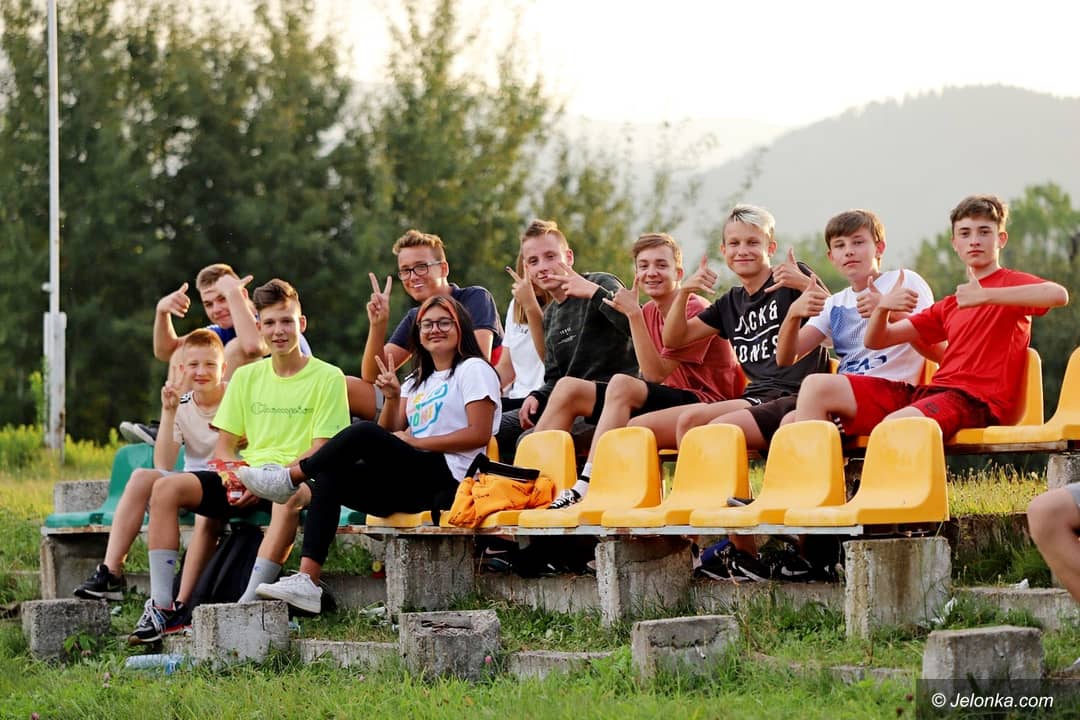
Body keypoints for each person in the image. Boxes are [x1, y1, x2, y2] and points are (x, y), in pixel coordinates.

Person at [237, 296, 501, 614]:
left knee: (362, 433)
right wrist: (391, 399)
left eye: (445, 323)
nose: (435, 330)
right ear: (418, 334)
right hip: (413, 481)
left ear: (461, 329)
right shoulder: (418, 380)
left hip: (452, 477)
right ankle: (308, 580)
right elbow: (388, 431)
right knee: (331, 473)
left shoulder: (473, 369)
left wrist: (418, 442)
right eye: (427, 325)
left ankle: (291, 477)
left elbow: (479, 434)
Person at [127, 279, 350, 644]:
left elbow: (321, 451)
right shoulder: (246, 377)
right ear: (259, 327)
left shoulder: (328, 377)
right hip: (247, 477)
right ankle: (162, 607)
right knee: (166, 487)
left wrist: (272, 481)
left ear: (302, 324)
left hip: (298, 478)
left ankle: (247, 607)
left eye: (287, 321)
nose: (278, 331)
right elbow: (224, 449)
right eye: (270, 323)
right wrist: (240, 478)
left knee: (287, 498)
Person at [796, 194, 1068, 440]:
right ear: (955, 243)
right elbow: (878, 340)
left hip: (976, 400)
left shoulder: (1010, 284)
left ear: (1001, 239)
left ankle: (894, 482)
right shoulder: (950, 305)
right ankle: (816, 481)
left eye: (984, 232)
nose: (974, 240)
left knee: (897, 425)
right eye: (965, 233)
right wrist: (883, 309)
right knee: (816, 387)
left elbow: (1058, 295)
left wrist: (986, 296)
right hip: (937, 392)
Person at [532, 232, 743, 507]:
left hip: (708, 402)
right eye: (644, 266)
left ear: (679, 273)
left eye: (661, 265)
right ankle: (529, 484)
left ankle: (588, 483)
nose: (651, 272)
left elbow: (655, 374)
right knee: (568, 388)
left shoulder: (693, 308)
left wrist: (631, 313)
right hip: (673, 399)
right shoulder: (651, 311)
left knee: (623, 388)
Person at [632, 204, 829, 452]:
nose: (742, 251)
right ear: (724, 251)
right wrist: (684, 292)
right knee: (686, 420)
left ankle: (716, 480)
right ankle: (699, 481)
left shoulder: (790, 277)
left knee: (699, 424)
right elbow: (674, 339)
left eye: (752, 242)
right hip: (756, 396)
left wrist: (802, 283)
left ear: (770, 248)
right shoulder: (730, 303)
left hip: (795, 395)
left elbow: (839, 316)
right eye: (734, 243)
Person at [74, 329, 227, 602]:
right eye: (193, 364)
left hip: (223, 483)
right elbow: (164, 463)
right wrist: (168, 411)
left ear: (223, 368)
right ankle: (111, 572)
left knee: (204, 516)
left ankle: (178, 601)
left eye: (210, 364)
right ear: (182, 369)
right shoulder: (181, 402)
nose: (201, 372)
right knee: (141, 477)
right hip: (189, 483)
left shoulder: (235, 396)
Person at [495, 219, 638, 461]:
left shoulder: (599, 283)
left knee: (534, 443)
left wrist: (594, 294)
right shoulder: (551, 315)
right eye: (533, 261)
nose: (543, 267)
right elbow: (555, 376)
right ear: (527, 269)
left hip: (613, 401)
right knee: (514, 436)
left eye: (550, 256)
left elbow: (636, 326)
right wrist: (538, 395)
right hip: (573, 405)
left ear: (569, 257)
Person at [354, 229, 503, 420]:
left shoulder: (474, 298)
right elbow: (372, 375)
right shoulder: (415, 317)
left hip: (467, 401)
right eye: (405, 270)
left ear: (443, 269)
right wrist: (378, 325)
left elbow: (478, 358)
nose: (413, 276)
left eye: (421, 267)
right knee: (347, 387)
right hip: (422, 400)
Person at [494, 252, 549, 410]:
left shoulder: (566, 304)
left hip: (544, 399)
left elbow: (552, 360)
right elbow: (507, 368)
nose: (539, 269)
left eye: (549, 258)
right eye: (532, 262)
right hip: (517, 398)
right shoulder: (516, 305)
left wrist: (530, 306)